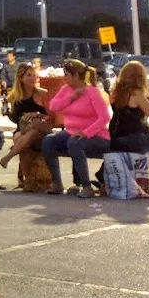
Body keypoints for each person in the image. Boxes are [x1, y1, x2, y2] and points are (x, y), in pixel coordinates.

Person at [40, 60, 111, 198]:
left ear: (76, 76)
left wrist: (86, 132)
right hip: (71, 132)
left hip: (96, 135)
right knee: (48, 141)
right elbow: (53, 106)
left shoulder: (92, 92)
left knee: (74, 142)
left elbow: (104, 117)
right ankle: (57, 183)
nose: (64, 78)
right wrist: (72, 97)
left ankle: (86, 186)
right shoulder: (66, 89)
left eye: (66, 75)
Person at [108, 59, 149, 195]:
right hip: (135, 138)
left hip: (117, 137)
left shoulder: (114, 91)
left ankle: (138, 176)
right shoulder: (136, 94)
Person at [0, 62, 52, 174]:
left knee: (31, 134)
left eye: (33, 75)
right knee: (20, 137)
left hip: (40, 129)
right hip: (22, 128)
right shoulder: (15, 96)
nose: (33, 77)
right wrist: (7, 113)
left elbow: (51, 117)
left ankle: (8, 158)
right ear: (21, 78)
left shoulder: (42, 94)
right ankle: (26, 178)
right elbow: (15, 119)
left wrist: (36, 114)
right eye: (29, 75)